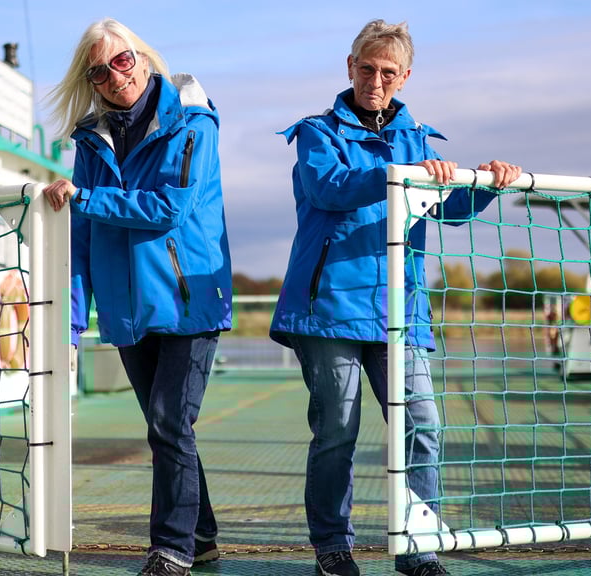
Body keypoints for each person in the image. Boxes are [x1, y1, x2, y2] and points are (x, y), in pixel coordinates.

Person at [269, 19, 522, 576]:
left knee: (422, 426)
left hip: (399, 312)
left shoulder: (419, 140)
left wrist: (487, 183)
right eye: (367, 68)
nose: (376, 81)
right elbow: (328, 187)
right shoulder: (316, 132)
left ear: (405, 76)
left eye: (388, 72)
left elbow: (449, 207)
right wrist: (400, 174)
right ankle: (333, 546)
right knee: (337, 428)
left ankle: (419, 546)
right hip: (328, 308)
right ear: (350, 66)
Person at [42, 18, 232, 576]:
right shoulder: (91, 142)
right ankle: (202, 537)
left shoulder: (194, 125)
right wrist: (71, 322)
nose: (113, 76)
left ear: (144, 59)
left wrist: (88, 199)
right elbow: (79, 240)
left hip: (187, 301)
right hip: (127, 312)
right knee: (167, 426)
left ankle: (170, 549)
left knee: (171, 422)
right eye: (98, 70)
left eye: (121, 61)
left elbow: (170, 206)